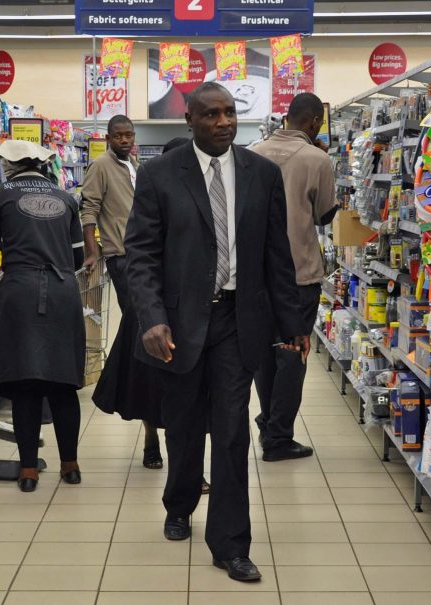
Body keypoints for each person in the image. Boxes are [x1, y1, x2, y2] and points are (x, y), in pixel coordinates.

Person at [125, 82, 309, 582]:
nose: (224, 121)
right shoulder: (160, 174)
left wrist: (293, 323)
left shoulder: (261, 174)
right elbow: (140, 254)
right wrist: (152, 316)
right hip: (180, 323)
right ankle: (180, 502)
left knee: (230, 432)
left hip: (236, 320)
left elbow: (277, 254)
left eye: (230, 113)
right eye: (212, 114)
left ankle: (230, 544)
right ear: (190, 120)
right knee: (183, 425)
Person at [92, 135, 212, 494]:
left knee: (193, 394)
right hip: (152, 311)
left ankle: (189, 468)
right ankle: (150, 439)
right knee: (146, 380)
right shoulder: (153, 195)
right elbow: (139, 255)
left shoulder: (206, 198)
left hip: (193, 312)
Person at [0, 139, 85, 493]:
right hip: (63, 293)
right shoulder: (66, 198)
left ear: (8, 165)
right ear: (41, 165)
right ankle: (70, 466)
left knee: (25, 384)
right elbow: (79, 259)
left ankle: (27, 472)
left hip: (19, 292)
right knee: (63, 382)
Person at [250, 93, 339, 461]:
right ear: (316, 122)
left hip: (255, 274)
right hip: (298, 273)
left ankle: (270, 419)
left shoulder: (252, 152)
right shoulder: (317, 159)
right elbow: (325, 217)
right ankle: (278, 437)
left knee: (265, 353)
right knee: (293, 354)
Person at [81, 115, 168, 470]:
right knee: (142, 328)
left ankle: (145, 406)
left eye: (129, 135)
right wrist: (91, 251)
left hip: (146, 257)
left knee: (144, 334)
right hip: (121, 256)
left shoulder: (134, 164)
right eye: (118, 135)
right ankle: (143, 411)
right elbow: (89, 209)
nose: (124, 140)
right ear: (108, 137)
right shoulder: (100, 166)